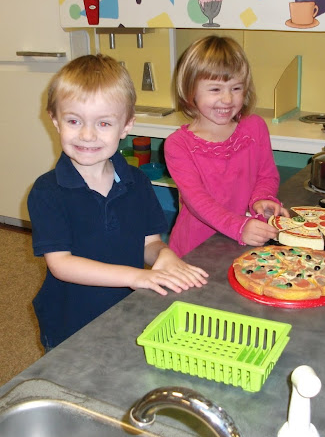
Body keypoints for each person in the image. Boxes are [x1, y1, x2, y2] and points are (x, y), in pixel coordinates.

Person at [27, 54, 208, 352]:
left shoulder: (138, 183)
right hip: (71, 324)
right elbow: (61, 265)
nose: (87, 134)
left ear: (126, 126)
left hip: (128, 313)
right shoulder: (47, 192)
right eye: (74, 121)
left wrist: (164, 256)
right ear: (55, 120)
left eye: (103, 123)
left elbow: (149, 243)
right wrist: (136, 276)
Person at [164, 35, 288, 257]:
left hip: (243, 243)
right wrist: (239, 227)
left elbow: (267, 176)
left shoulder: (255, 127)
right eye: (215, 89)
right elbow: (198, 202)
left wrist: (262, 198)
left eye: (236, 88)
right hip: (196, 250)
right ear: (190, 90)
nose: (227, 99)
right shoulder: (178, 145)